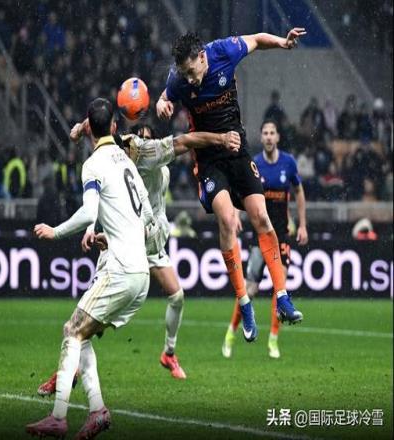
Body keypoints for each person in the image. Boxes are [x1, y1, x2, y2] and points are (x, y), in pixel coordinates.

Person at [36, 121, 241, 392]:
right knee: (87, 322)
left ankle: (169, 353)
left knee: (177, 296)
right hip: (125, 240)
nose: (139, 143)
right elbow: (101, 195)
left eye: (145, 138)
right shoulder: (122, 162)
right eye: (136, 138)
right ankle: (67, 370)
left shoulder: (159, 166)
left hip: (150, 237)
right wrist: (91, 229)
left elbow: (178, 145)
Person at [156, 29, 306, 342]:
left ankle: (282, 296)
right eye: (185, 74)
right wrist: (162, 103)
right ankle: (244, 302)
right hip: (209, 160)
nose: (190, 79)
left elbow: (258, 40)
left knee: (261, 216)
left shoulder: (224, 51)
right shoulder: (179, 79)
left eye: (192, 71)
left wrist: (283, 42)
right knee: (226, 219)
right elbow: (165, 96)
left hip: (237, 150)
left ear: (202, 57)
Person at [25, 98, 155, 439]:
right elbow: (147, 219)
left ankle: (58, 417)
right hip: (140, 273)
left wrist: (55, 231)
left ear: (89, 126)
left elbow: (88, 213)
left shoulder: (93, 164)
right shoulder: (127, 163)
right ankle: (97, 410)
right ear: (114, 125)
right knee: (81, 334)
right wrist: (111, 237)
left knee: (72, 330)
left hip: (120, 270)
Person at [222, 120, 308, 360]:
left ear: (278, 137)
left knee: (280, 287)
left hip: (281, 234)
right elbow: (241, 192)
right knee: (250, 289)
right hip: (259, 236)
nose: (269, 137)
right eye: (265, 133)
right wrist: (235, 215)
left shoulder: (288, 163)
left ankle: (273, 339)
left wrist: (302, 224)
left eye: (272, 133)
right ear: (261, 138)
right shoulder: (255, 164)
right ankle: (231, 332)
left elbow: (299, 192)